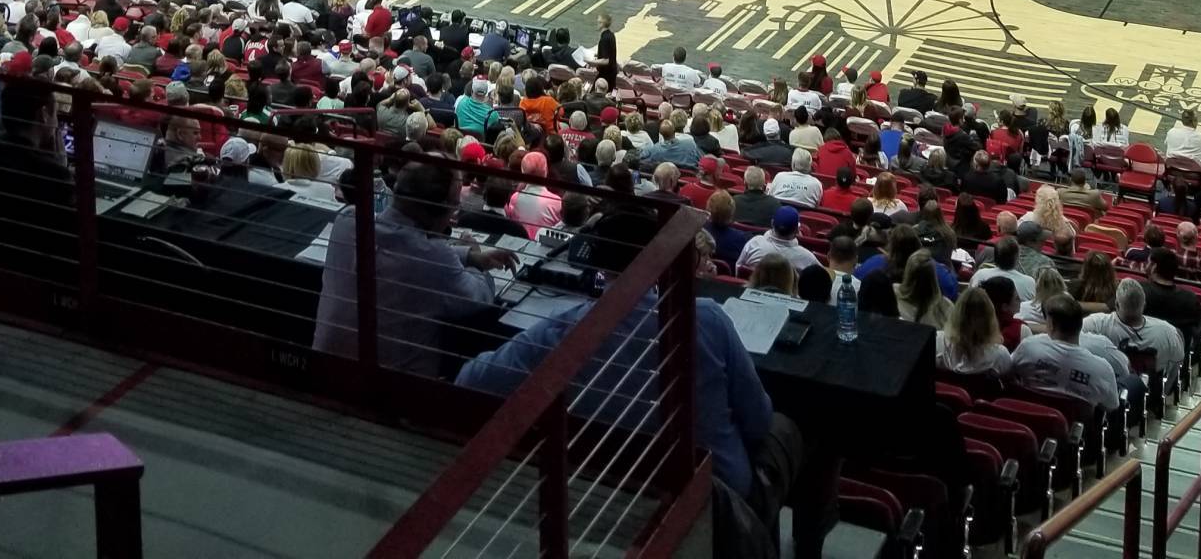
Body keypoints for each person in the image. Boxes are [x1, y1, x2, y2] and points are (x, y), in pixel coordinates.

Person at [453, 208, 825, 558]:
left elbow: (470, 379)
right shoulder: (707, 319)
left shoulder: (564, 329)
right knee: (784, 428)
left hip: (603, 490)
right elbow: (758, 421)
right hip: (713, 500)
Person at [313, 160, 512, 376]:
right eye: (454, 204)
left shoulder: (348, 219)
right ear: (439, 209)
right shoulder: (433, 257)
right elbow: (479, 297)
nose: (455, 211)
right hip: (395, 392)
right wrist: (478, 260)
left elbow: (402, 249)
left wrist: (469, 257)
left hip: (324, 371)